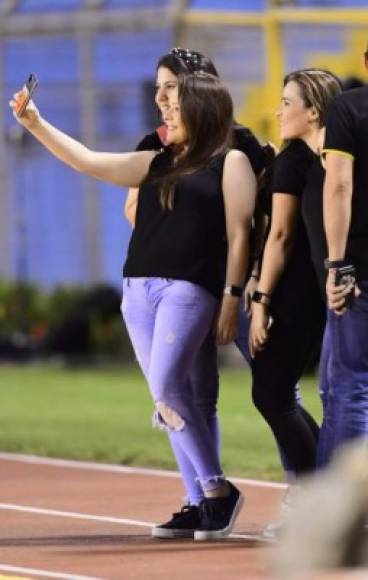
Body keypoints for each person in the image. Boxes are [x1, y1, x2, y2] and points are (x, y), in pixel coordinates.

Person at [10, 71, 256, 540]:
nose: (164, 109)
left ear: (202, 107)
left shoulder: (231, 161)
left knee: (166, 387)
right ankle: (198, 500)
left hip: (188, 288)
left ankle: (218, 492)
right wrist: (36, 124)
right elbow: (89, 161)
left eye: (175, 102)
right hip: (137, 291)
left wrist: (231, 296)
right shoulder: (158, 161)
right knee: (164, 397)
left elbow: (241, 233)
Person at [126, 47, 304, 500]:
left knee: (277, 389)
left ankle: (308, 488)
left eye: (171, 86)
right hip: (185, 287)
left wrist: (247, 285)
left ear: (199, 87)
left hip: (236, 288)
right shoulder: (154, 146)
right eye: (159, 88)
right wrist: (183, 238)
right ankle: (203, 499)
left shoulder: (244, 146)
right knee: (193, 393)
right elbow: (136, 211)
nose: (161, 98)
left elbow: (261, 221)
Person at [248, 69, 342, 483]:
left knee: (272, 393)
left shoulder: (292, 161)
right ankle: (327, 488)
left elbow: (280, 235)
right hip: (322, 289)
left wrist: (261, 301)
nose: (278, 110)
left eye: (288, 103)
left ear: (314, 111)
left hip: (296, 293)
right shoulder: (335, 157)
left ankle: (316, 494)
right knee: (289, 393)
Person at [321, 43, 368, 464]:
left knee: (352, 384)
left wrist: (338, 264)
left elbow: (338, 185)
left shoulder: (347, 109)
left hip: (363, 268)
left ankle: (352, 510)